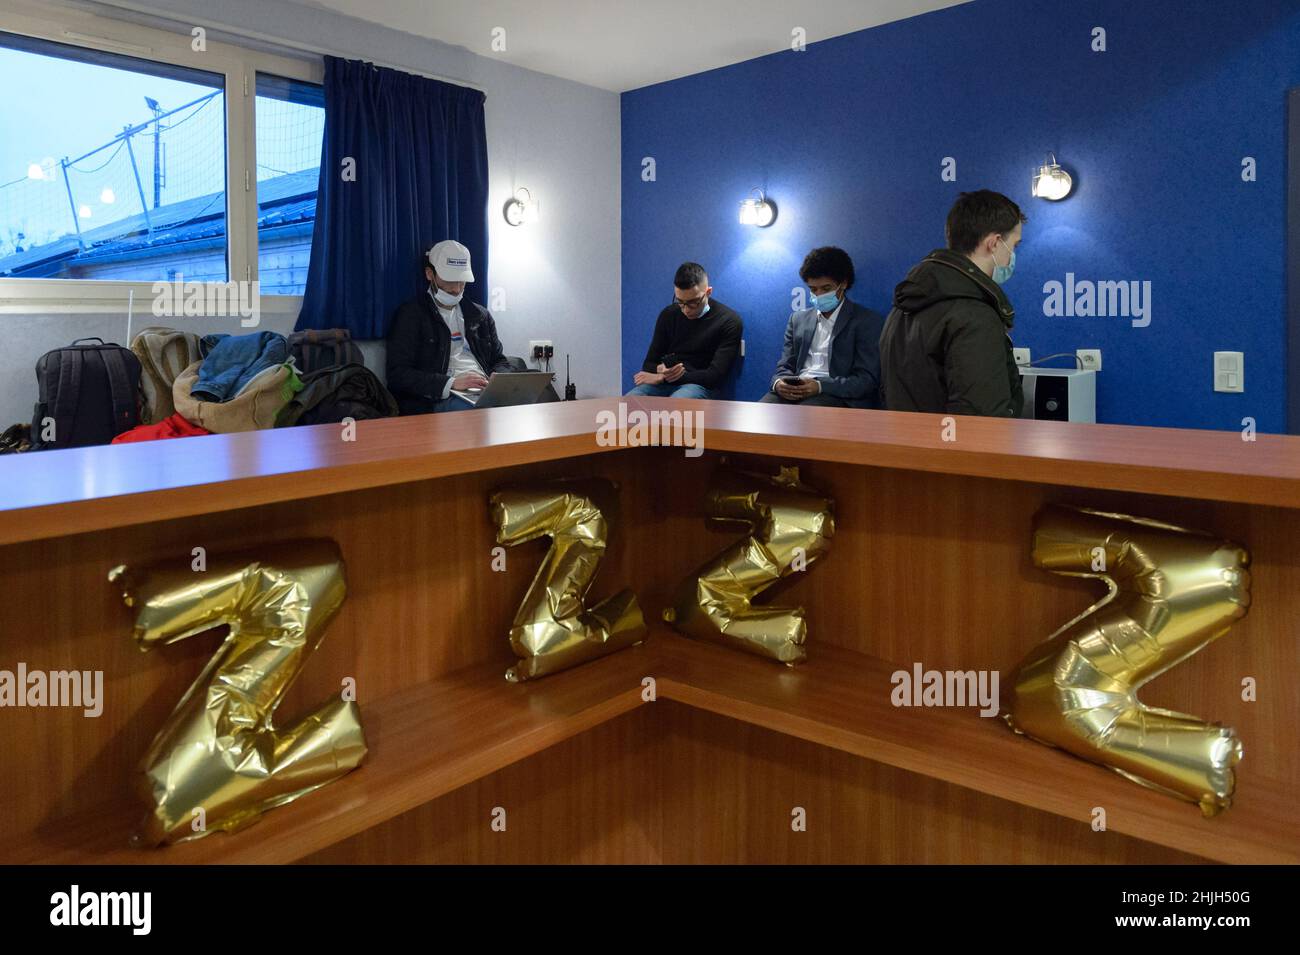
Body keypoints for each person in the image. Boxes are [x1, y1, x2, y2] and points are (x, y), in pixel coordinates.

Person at [879, 190, 1026, 417]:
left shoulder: (904, 305)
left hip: (910, 445)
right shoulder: (974, 315)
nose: (1013, 256)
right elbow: (979, 417)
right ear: (994, 243)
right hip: (956, 449)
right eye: (1014, 246)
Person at [386, 240, 512, 415]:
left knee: (539, 399)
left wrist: (497, 380)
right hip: (441, 397)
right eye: (449, 280)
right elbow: (397, 375)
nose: (456, 288)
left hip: (482, 390)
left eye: (462, 281)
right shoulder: (411, 315)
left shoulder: (480, 315)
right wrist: (450, 383)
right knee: (482, 412)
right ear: (430, 274)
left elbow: (499, 360)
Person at [761, 247, 885, 408]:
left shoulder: (866, 321)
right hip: (795, 391)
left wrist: (820, 386)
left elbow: (866, 380)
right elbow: (784, 366)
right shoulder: (797, 319)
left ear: (844, 284)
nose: (819, 295)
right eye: (813, 289)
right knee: (760, 413)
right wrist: (778, 383)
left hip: (836, 396)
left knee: (805, 416)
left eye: (826, 288)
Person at [627, 262, 742, 398]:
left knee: (676, 408)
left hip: (700, 386)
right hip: (663, 384)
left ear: (708, 292)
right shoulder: (669, 314)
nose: (686, 309)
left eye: (693, 302)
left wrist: (662, 377)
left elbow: (714, 376)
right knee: (629, 404)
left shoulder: (728, 321)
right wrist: (662, 370)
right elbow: (648, 365)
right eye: (680, 301)